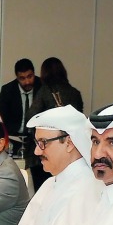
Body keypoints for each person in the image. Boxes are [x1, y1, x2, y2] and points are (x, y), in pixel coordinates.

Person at [25, 57, 84, 191]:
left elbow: (30, 117)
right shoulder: (75, 93)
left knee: (45, 191)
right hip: (72, 150)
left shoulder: (44, 91)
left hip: (45, 152)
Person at [0, 58, 39, 143]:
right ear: (17, 78)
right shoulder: (7, 90)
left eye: (30, 76)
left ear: (34, 74)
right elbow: (0, 118)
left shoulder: (42, 87)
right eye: (22, 78)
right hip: (13, 138)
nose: (27, 82)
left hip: (37, 138)